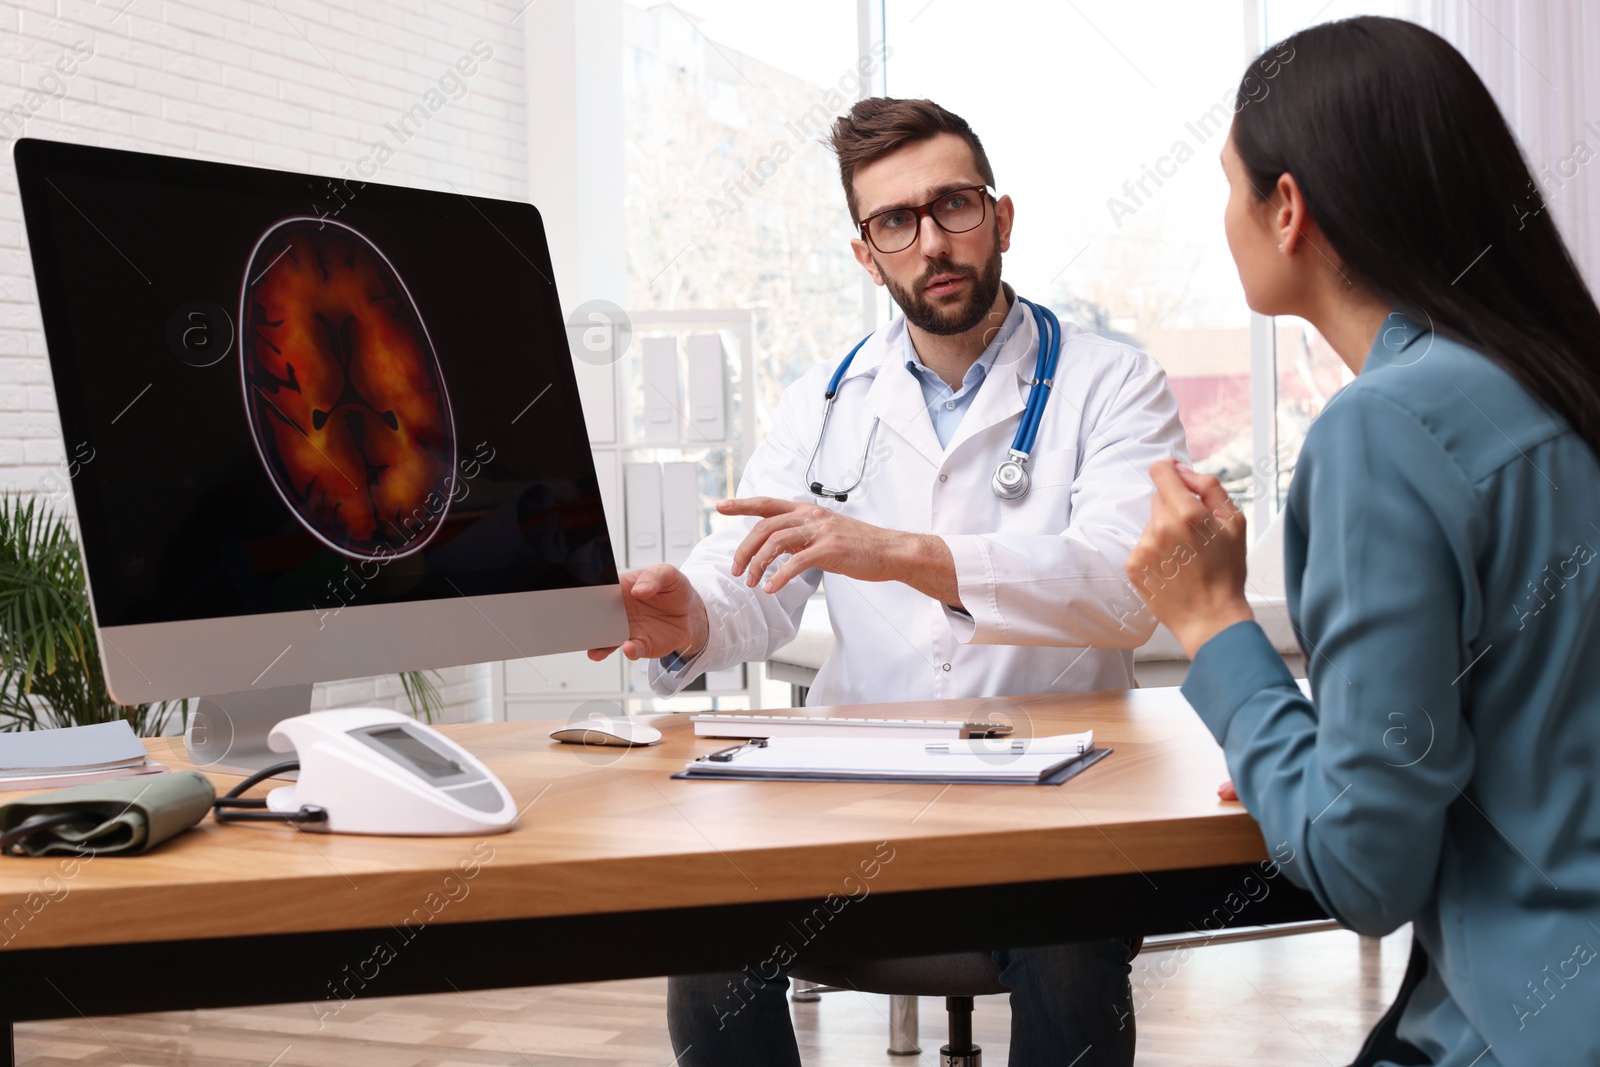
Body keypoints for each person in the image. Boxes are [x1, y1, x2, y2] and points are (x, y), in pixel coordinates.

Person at [587, 97, 1188, 1065]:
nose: (930, 242)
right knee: (705, 951)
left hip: (1051, 809)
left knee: (1074, 955)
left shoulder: (1110, 382)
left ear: (1000, 217)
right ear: (866, 254)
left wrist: (898, 552)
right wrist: (689, 613)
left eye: (952, 206)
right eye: (894, 222)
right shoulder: (822, 404)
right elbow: (756, 577)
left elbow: (1128, 586)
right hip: (851, 805)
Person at [1125, 16, 1600, 1067]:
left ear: (1285, 207)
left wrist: (1210, 619)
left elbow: (1362, 868)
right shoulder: (1558, 381)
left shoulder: (1383, 429)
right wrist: (1305, 753)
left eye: (1228, 186)